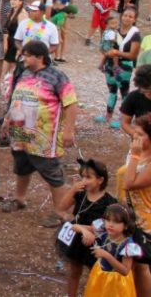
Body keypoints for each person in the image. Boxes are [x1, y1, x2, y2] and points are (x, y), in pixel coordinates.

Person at [2, 40, 78, 219]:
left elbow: (71, 103)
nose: (24, 58)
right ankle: (20, 199)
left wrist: (68, 131)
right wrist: (7, 119)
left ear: (40, 57)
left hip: (44, 138)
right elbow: (17, 98)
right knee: (21, 168)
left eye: (27, 55)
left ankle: (61, 211)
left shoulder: (58, 77)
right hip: (20, 135)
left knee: (53, 174)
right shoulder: (24, 74)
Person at [56, 158, 117, 297]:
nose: (83, 180)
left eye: (88, 177)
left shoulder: (109, 203)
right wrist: (72, 190)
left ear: (100, 180)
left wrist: (82, 228)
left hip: (96, 242)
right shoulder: (80, 194)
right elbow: (61, 208)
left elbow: (103, 227)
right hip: (77, 238)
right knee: (74, 271)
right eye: (82, 176)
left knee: (94, 273)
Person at [118, 114, 151, 295]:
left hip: (145, 221)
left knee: (141, 266)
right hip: (129, 215)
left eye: (140, 134)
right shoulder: (135, 151)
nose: (135, 137)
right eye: (134, 133)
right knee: (131, 264)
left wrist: (136, 155)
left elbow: (129, 183)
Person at [80, 204, 143, 296]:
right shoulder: (104, 233)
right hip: (99, 275)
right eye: (108, 220)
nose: (110, 224)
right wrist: (84, 232)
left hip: (116, 283)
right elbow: (75, 226)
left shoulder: (128, 245)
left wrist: (106, 255)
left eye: (116, 222)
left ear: (126, 225)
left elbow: (125, 271)